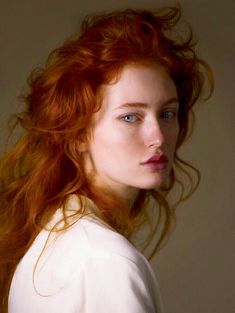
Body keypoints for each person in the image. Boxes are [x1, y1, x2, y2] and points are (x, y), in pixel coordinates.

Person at [0, 6, 213, 313]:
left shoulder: (56, 236)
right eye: (130, 117)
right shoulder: (107, 262)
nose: (158, 136)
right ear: (77, 133)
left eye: (167, 113)